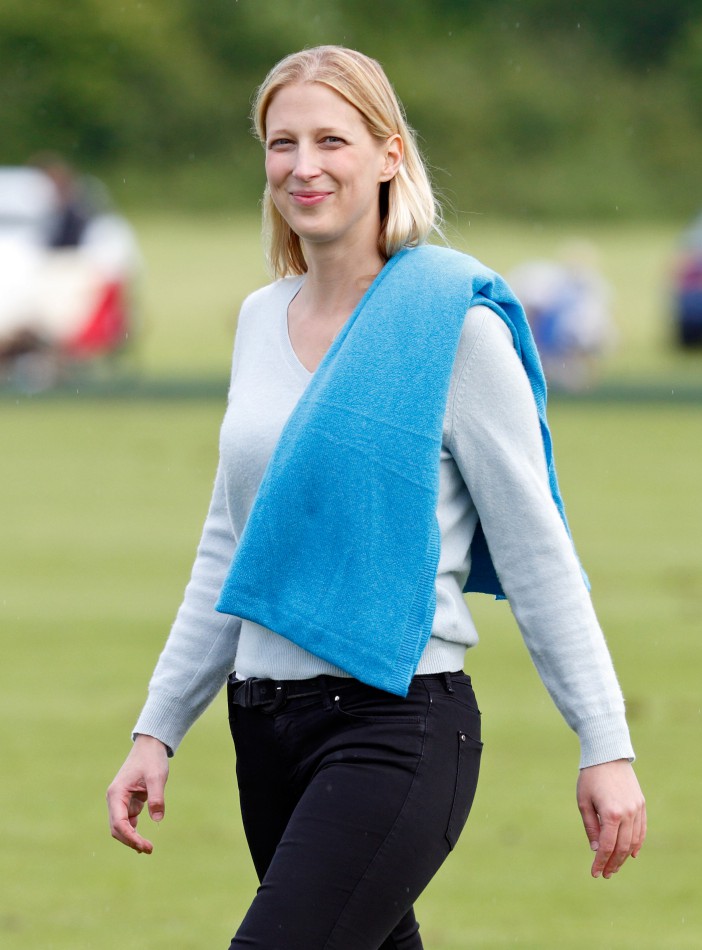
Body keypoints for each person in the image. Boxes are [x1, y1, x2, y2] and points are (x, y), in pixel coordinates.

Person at [107, 46, 646, 950]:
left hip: (397, 728)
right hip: (265, 729)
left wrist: (607, 743)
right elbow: (232, 553)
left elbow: (537, 553)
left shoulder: (455, 327)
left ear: (390, 153)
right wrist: (157, 729)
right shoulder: (255, 320)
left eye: (331, 139)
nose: (303, 166)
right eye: (282, 143)